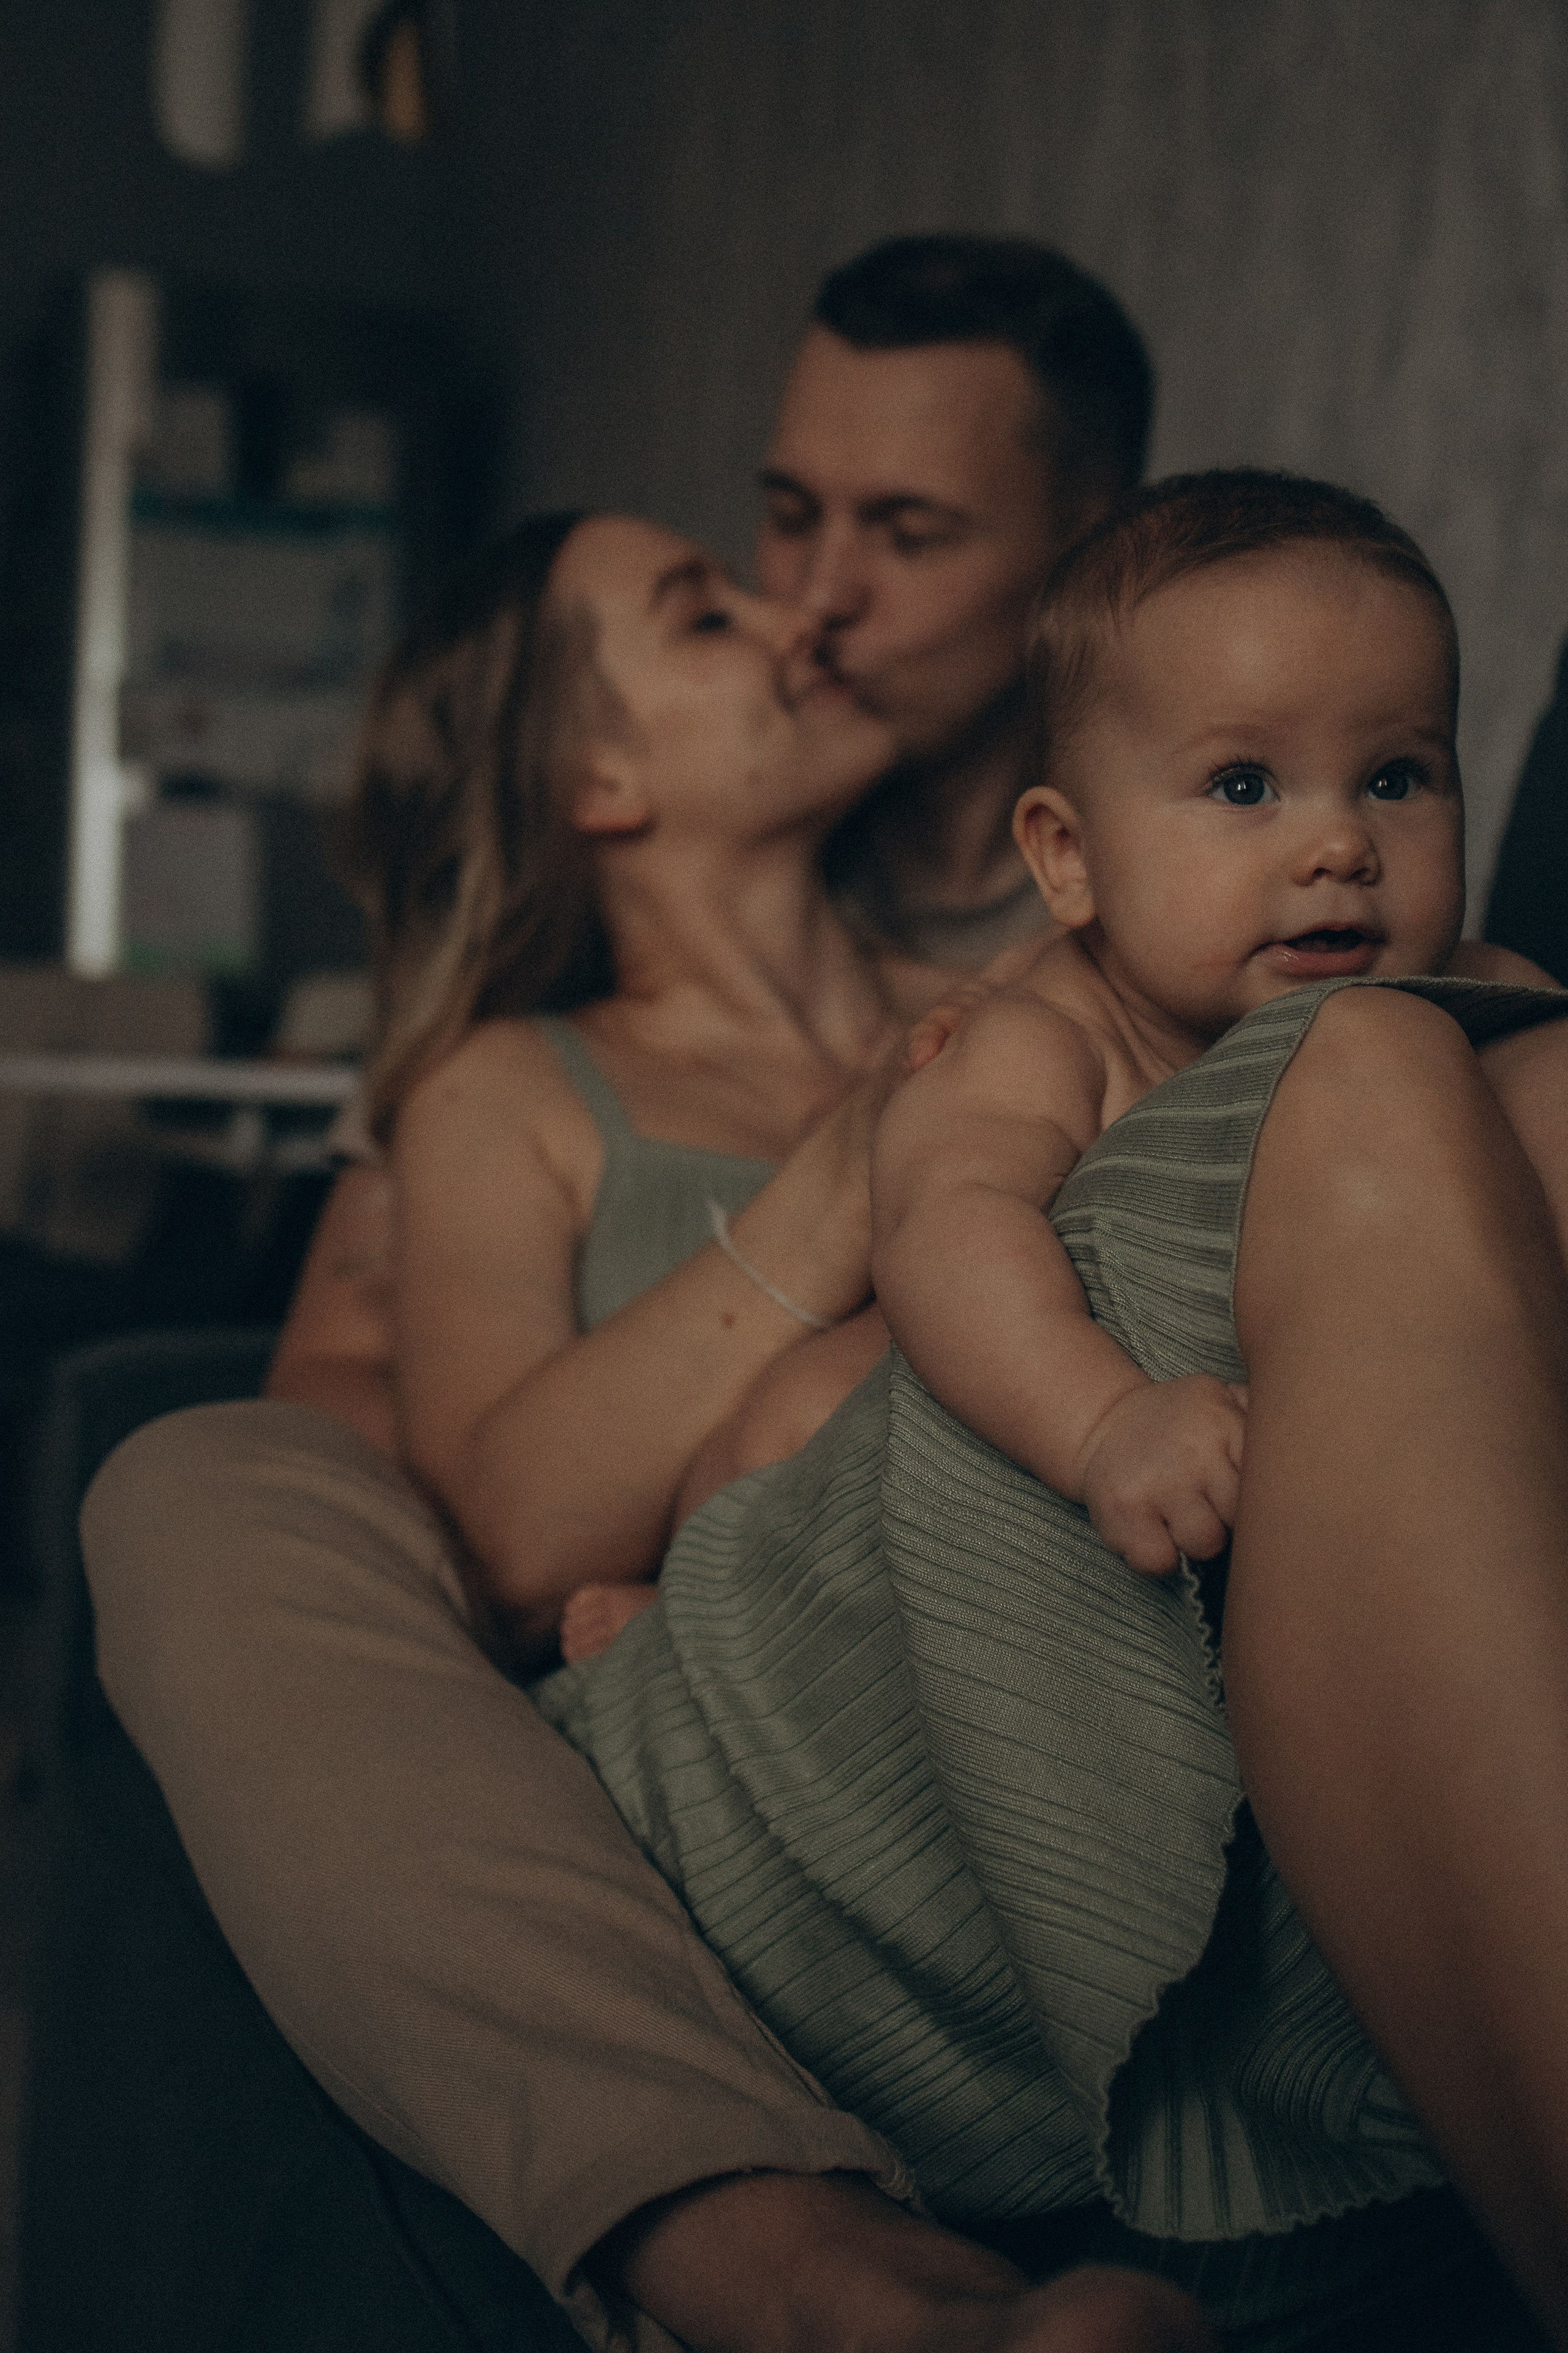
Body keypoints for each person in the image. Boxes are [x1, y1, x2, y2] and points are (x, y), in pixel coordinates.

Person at [85, 506, 1213, 2352]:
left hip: (1035, 1688)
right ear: (596, 775)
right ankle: (833, 2288)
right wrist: (844, 1175)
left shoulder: (1033, 987)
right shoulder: (509, 1092)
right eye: (706, 609)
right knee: (182, 1477)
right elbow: (512, 1538)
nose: (797, 620)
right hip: (715, 1757)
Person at [268, 233, 1154, 1445]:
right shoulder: (648, 879)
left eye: (906, 532)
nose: (813, 594)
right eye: (788, 514)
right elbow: (339, 1373)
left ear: (1081, 558)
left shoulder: (1156, 901)